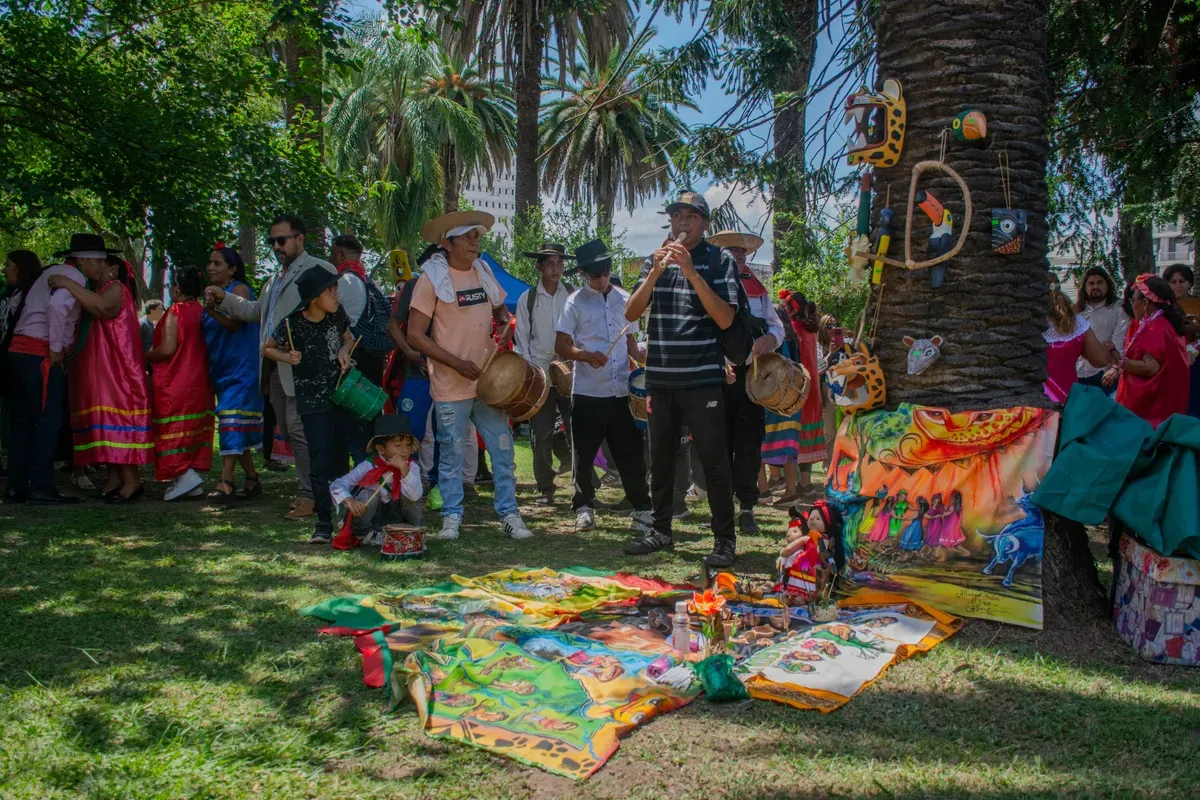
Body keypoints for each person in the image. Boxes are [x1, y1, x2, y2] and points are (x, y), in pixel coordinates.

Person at [622, 191, 740, 566]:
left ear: (705, 224)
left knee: (713, 460)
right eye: (677, 216)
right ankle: (660, 530)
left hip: (703, 377)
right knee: (661, 457)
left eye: (691, 216)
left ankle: (724, 539)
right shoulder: (653, 262)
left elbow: (725, 318)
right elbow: (630, 312)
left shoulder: (719, 259)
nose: (683, 223)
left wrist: (691, 272)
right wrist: (656, 270)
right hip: (660, 378)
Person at [405, 210, 533, 542]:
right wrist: (456, 363)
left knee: (503, 448)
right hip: (450, 383)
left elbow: (499, 309)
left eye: (477, 236)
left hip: (489, 381)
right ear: (447, 243)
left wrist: (504, 323)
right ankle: (451, 517)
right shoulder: (430, 278)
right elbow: (415, 335)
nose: (476, 241)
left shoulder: (484, 271)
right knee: (450, 453)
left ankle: (509, 514)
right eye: (467, 237)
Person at [204, 214, 337, 520]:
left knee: (302, 432)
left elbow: (335, 314)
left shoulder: (320, 269)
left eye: (282, 240)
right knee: (290, 432)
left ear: (299, 239)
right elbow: (257, 313)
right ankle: (315, 489)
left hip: (306, 368)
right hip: (275, 367)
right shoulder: (274, 279)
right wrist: (224, 298)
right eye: (271, 241)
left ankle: (312, 496)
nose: (276, 246)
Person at [554, 238, 652, 533]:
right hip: (587, 392)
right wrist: (584, 355)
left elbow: (631, 342)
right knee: (583, 455)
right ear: (583, 274)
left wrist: (641, 355)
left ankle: (643, 509)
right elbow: (561, 344)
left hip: (621, 391)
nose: (602, 279)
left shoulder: (625, 298)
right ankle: (584, 507)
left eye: (606, 272)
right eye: (595, 275)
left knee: (631, 453)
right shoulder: (575, 302)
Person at [48, 239, 153, 503]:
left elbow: (102, 308)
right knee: (107, 429)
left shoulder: (115, 289)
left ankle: (132, 483)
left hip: (119, 375)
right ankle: (114, 479)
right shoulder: (100, 288)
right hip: (104, 375)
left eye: (101, 263)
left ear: (112, 269)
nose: (94, 268)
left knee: (119, 425)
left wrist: (67, 283)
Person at [262, 268, 360, 543]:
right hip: (311, 403)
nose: (336, 295)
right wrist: (286, 357)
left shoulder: (337, 316)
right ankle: (323, 523)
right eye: (331, 291)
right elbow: (266, 348)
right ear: (315, 297)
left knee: (353, 453)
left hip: (342, 397)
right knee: (319, 461)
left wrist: (344, 350)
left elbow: (348, 338)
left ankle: (356, 518)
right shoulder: (292, 324)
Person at [705, 230, 785, 534]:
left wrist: (768, 338)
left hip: (752, 377)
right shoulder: (710, 286)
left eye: (741, 252)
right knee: (718, 444)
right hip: (717, 376)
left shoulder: (759, 289)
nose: (738, 257)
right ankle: (721, 508)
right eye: (732, 252)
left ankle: (748, 506)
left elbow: (777, 328)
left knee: (750, 443)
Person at [5, 243, 81, 504]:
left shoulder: (45, 274)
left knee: (23, 423)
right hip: (39, 354)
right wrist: (56, 348)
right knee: (48, 421)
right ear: (87, 260)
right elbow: (57, 308)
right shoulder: (74, 275)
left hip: (18, 351)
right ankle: (40, 485)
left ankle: (16, 487)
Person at [202, 243, 264, 500]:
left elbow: (235, 324)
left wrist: (212, 311)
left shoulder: (238, 290)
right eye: (210, 263)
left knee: (231, 421)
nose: (211, 267)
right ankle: (252, 479)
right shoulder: (213, 295)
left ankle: (225, 480)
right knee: (237, 424)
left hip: (242, 368)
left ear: (233, 269)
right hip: (223, 368)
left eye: (217, 263)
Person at [146, 268, 214, 500]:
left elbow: (168, 349)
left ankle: (183, 475)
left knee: (174, 428)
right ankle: (189, 479)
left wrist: (143, 356)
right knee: (194, 429)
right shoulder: (204, 310)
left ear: (176, 289)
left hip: (176, 379)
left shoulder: (176, 310)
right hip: (200, 380)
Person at [516, 242, 575, 506]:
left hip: (571, 372)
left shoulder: (572, 294)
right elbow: (522, 341)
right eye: (550, 264)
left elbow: (580, 331)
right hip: (540, 375)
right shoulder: (527, 299)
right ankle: (545, 487)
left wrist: (572, 361)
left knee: (578, 429)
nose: (556, 269)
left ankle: (583, 485)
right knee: (540, 433)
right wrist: (533, 374)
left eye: (560, 264)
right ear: (539, 267)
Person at [329, 413, 424, 550]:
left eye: (408, 445)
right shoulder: (369, 466)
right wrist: (349, 500)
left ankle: (416, 533)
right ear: (380, 449)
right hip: (375, 517)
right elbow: (337, 485)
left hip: (399, 515)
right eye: (398, 445)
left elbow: (415, 496)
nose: (405, 450)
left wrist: (404, 469)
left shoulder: (411, 466)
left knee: (411, 496)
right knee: (367, 494)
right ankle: (364, 534)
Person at [1109, 273, 1190, 427]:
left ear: (1145, 302)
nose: (1132, 305)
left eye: (1134, 300)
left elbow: (1150, 368)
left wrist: (1119, 360)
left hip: (1152, 414)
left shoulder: (1156, 327)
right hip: (1164, 409)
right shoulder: (1164, 324)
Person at [778, 289, 826, 498]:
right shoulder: (811, 329)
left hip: (800, 387)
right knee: (809, 432)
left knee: (798, 433)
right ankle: (805, 482)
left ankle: (797, 482)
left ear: (793, 309)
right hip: (813, 387)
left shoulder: (794, 329)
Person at [2, 250, 44, 478]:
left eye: (8, 265)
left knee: (27, 420)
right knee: (22, 421)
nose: (4, 270)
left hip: (23, 359)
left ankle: (25, 478)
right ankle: (20, 479)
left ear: (20, 268)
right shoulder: (10, 294)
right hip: (17, 360)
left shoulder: (30, 295)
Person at [1043, 278, 1116, 403]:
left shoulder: (1027, 324)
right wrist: (1108, 348)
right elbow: (1100, 360)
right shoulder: (1076, 324)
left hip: (1035, 401)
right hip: (1069, 398)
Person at [760, 301, 804, 506]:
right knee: (788, 448)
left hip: (771, 401)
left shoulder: (769, 341)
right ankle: (791, 492)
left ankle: (763, 491)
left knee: (757, 443)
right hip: (791, 401)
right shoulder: (792, 340)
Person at [1073, 267, 1129, 396]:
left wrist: (1115, 368)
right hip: (1078, 374)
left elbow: (1119, 342)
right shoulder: (1076, 311)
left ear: (1107, 285)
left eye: (1100, 282)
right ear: (1085, 287)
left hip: (1106, 374)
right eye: (1091, 283)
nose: (1095, 286)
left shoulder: (1119, 308)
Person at [1163, 264, 1200, 417]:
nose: (1177, 285)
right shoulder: (1161, 306)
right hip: (1168, 359)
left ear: (1189, 283)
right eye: (1173, 281)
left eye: (1181, 281)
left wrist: (1195, 327)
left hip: (1195, 360)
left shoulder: (1197, 304)